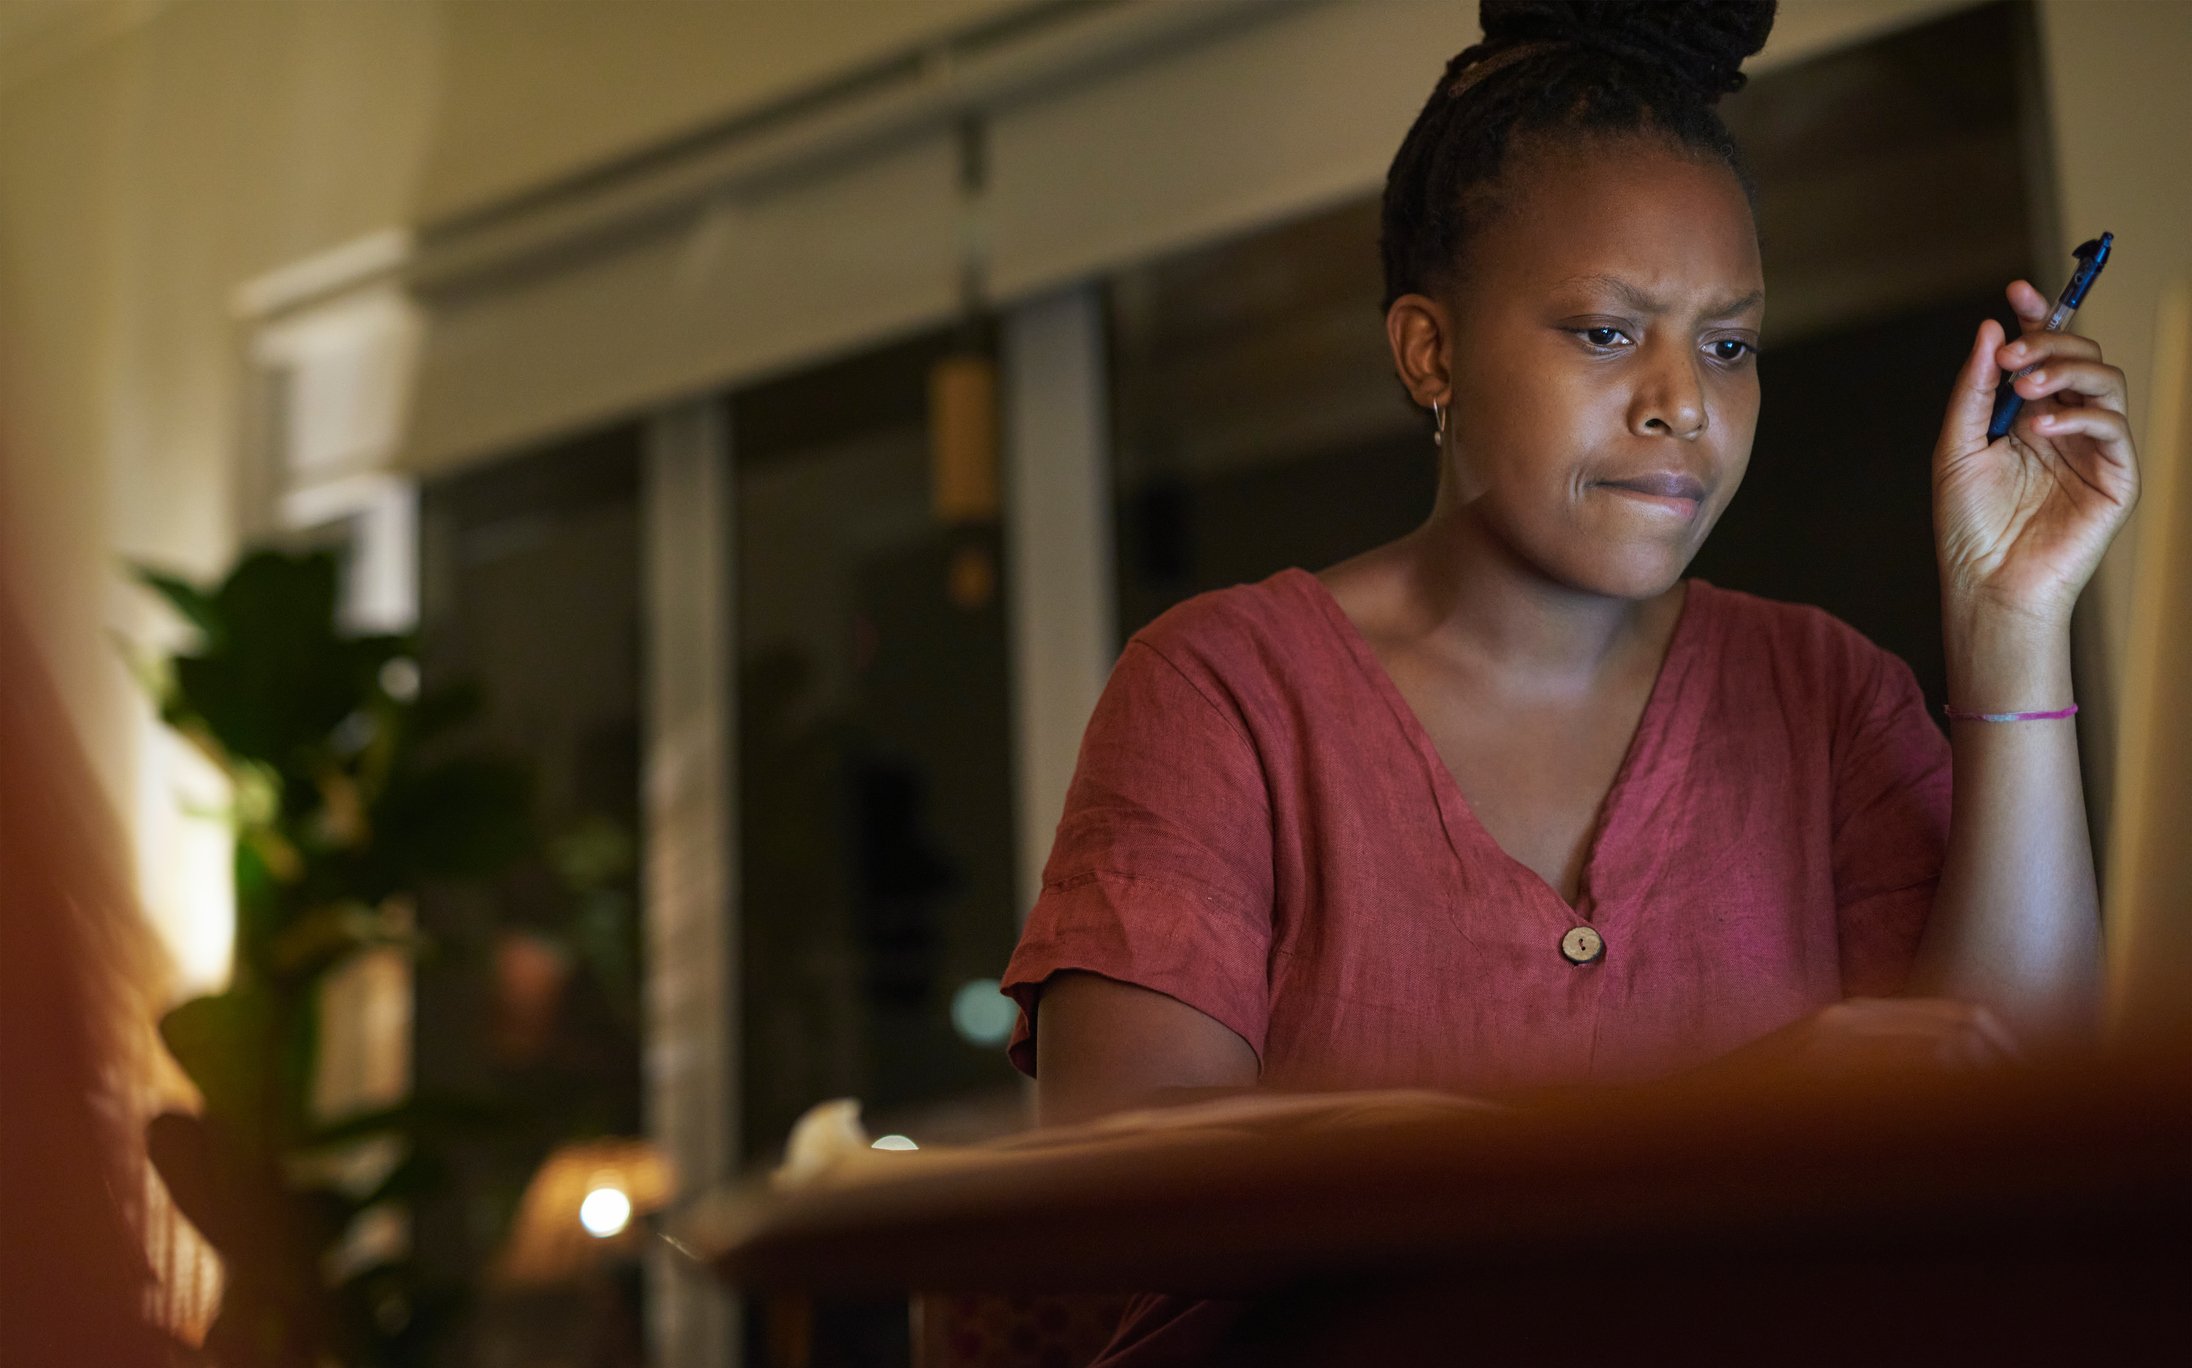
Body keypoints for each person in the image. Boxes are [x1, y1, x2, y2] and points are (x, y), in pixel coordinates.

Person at [996, 0, 2138, 1360]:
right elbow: (1127, 1184)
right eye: (1605, 332)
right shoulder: (1224, 691)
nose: (1683, 403)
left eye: (1728, 344)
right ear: (1430, 352)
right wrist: (1719, 1121)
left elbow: (2010, 1142)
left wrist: (2012, 617)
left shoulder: (1824, 693)